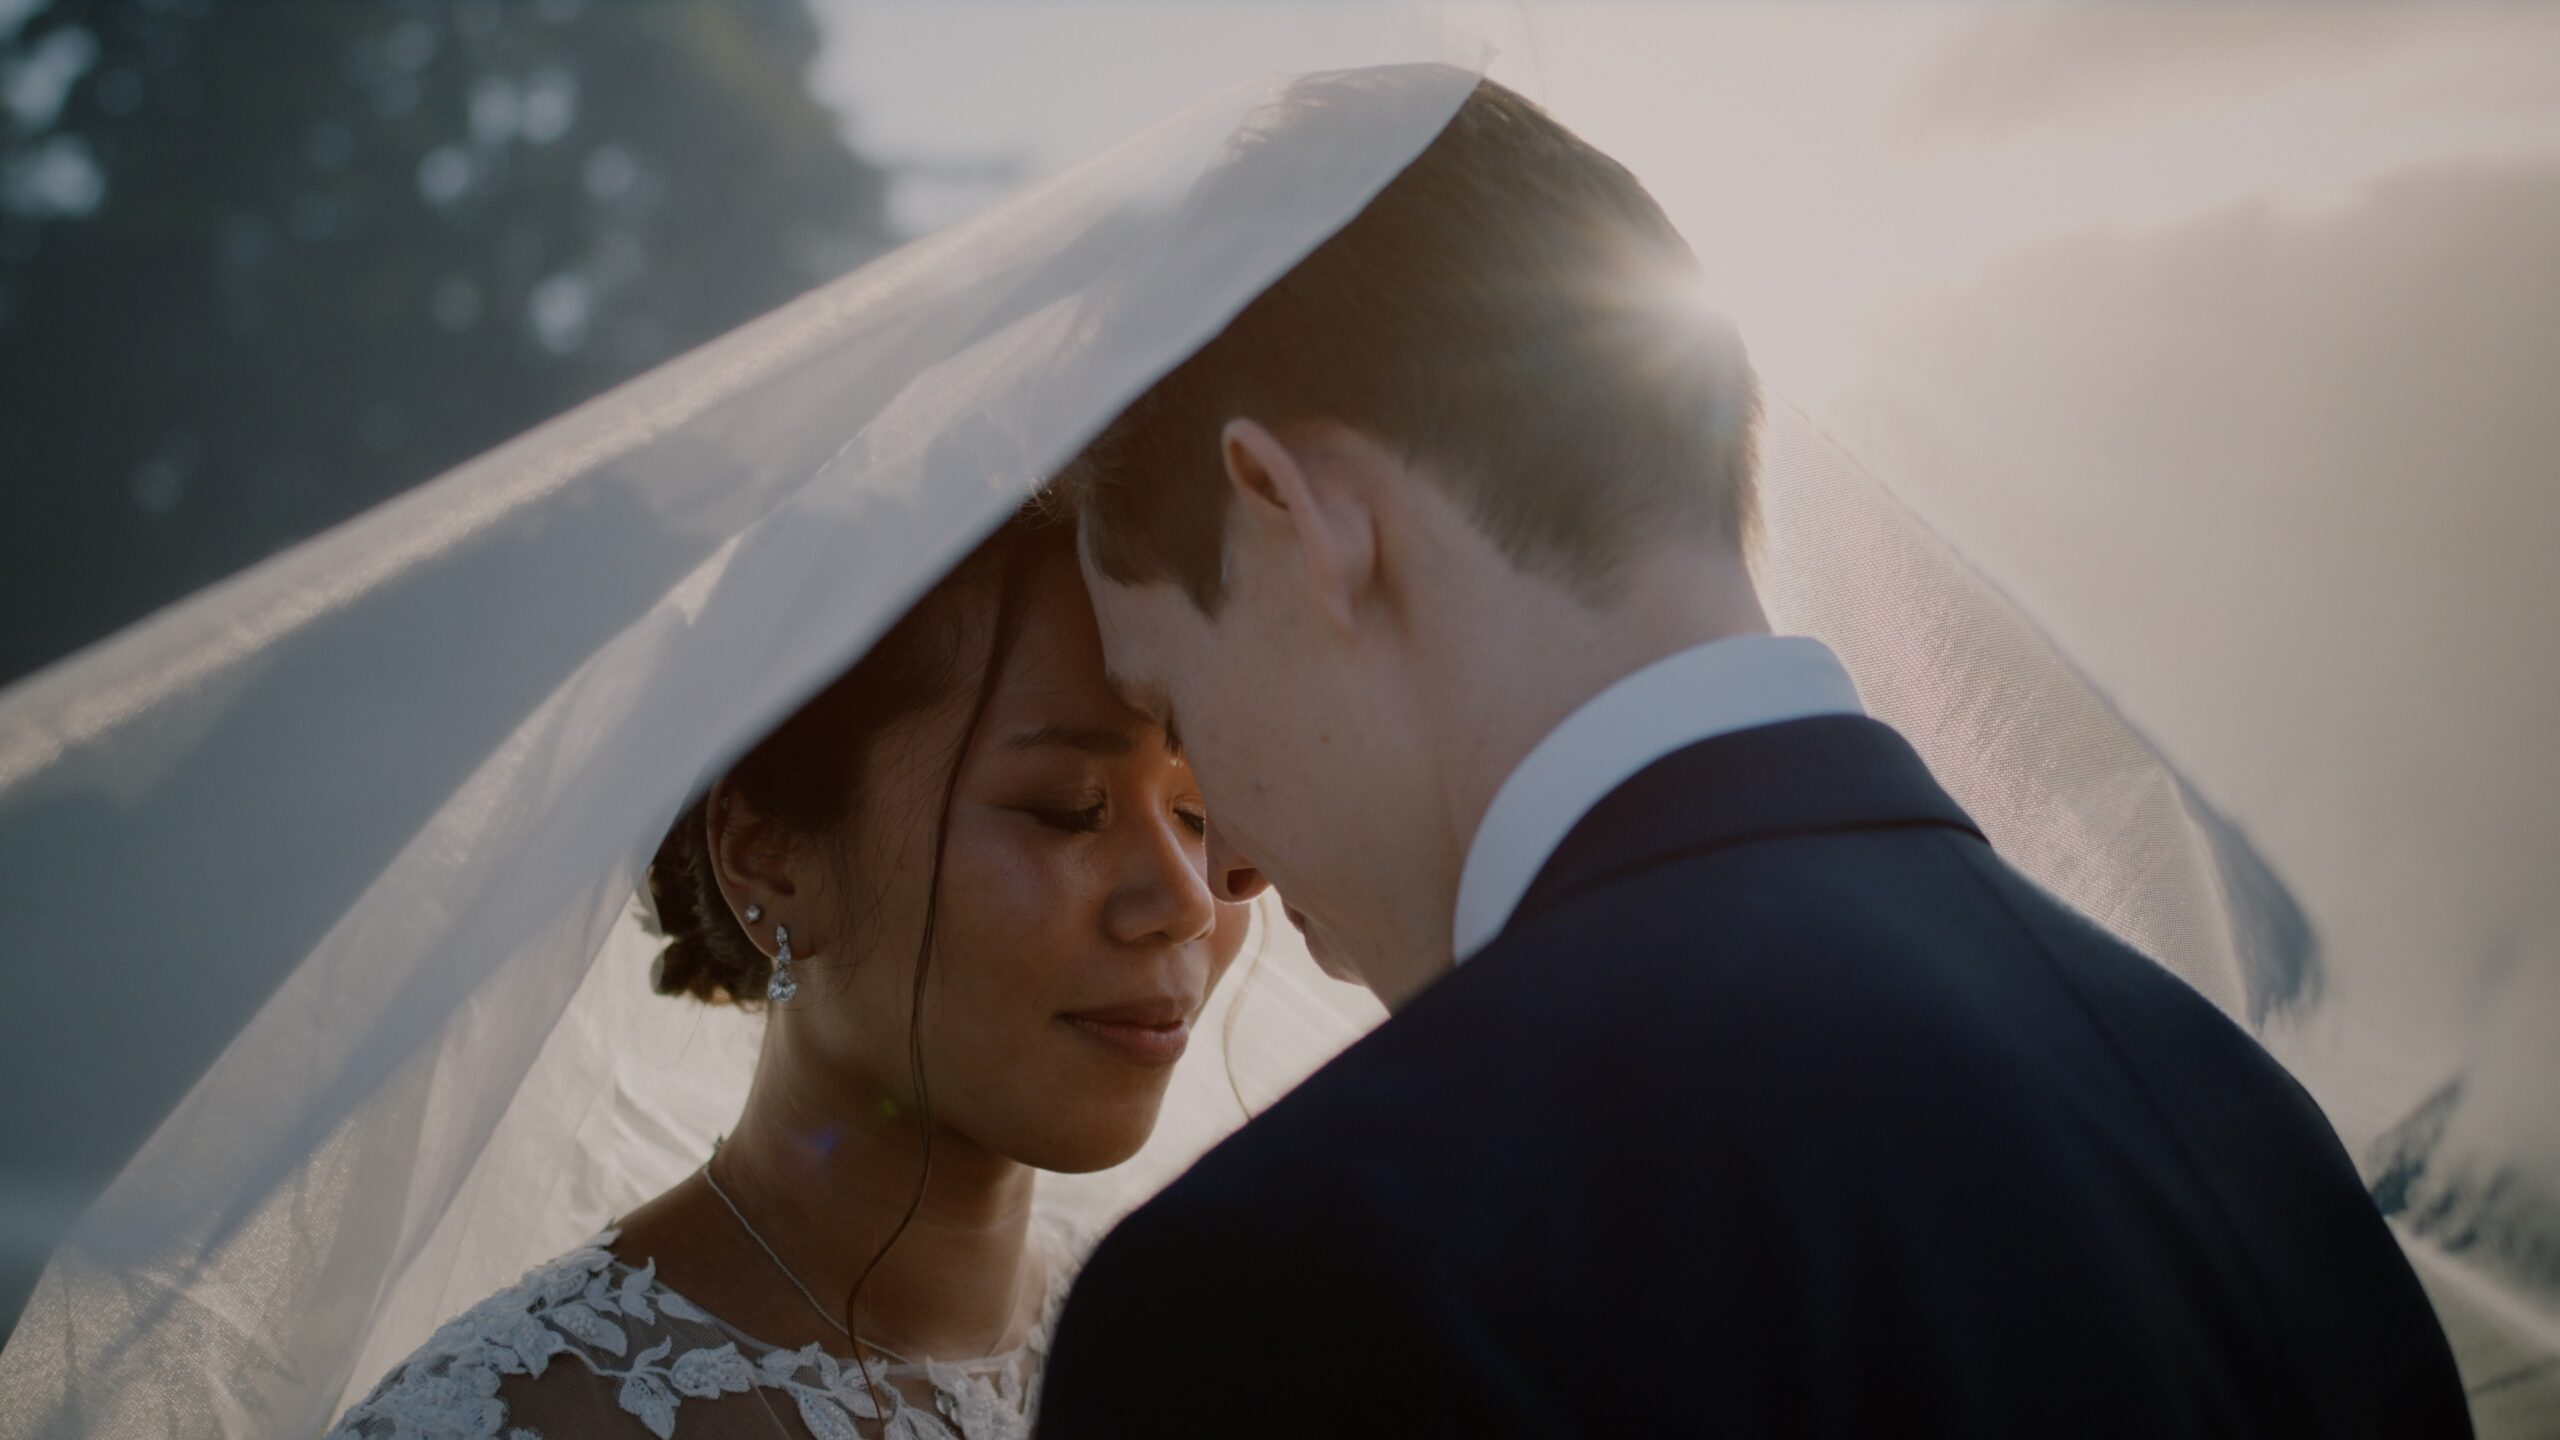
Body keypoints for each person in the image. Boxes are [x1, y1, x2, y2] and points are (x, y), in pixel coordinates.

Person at [1036, 76, 2474, 1436]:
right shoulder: (2242, 1125)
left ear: (1298, 518)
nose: (1217, 856)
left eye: (1176, 704)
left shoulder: (1283, 1291)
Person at [330, 513, 1246, 1440]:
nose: (1187, 900)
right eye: (1069, 811)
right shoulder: (515, 1418)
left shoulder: (1203, 1354)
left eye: (1202, 811)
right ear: (769, 859)